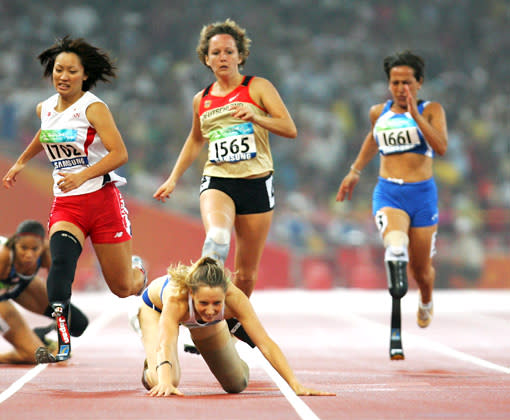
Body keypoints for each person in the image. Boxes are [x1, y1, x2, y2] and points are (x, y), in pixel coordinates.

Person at [2, 36, 147, 364]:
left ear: (84, 75)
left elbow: (120, 153)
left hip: (103, 202)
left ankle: (138, 271)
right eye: (58, 69)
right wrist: (21, 161)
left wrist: (83, 175)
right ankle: (63, 341)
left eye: (70, 71)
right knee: (61, 264)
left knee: (122, 287)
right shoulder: (45, 107)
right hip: (67, 205)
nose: (62, 76)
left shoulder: (93, 107)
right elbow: (46, 133)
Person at [152, 19, 297, 345]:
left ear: (240, 56)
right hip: (218, 180)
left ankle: (228, 325)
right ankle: (196, 315)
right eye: (215, 52)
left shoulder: (257, 87)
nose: (222, 57)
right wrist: (174, 178)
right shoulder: (200, 99)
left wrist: (255, 115)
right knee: (216, 239)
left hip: (257, 185)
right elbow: (194, 140)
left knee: (245, 273)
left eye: (229, 51)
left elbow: (289, 128)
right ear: (206, 58)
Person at [336, 50, 448, 358]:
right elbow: (372, 139)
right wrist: (354, 171)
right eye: (396, 82)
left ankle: (426, 297)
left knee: (421, 269)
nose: (401, 89)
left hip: (423, 196)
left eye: (407, 82)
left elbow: (441, 147)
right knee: (396, 248)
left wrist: (415, 116)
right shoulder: (378, 112)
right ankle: (396, 324)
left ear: (419, 83)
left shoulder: (431, 110)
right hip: (389, 194)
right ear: (389, 84)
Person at [129, 256, 334, 397]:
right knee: (165, 383)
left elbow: (265, 342)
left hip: (203, 325)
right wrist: (164, 380)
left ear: (225, 296)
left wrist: (295, 384)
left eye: (216, 304)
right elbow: (166, 341)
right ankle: (146, 346)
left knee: (237, 383)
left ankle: (216, 339)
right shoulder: (176, 298)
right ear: (191, 294)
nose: (210, 310)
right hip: (156, 311)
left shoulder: (234, 298)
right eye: (204, 303)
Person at [0, 220, 89, 366]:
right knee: (36, 356)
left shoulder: (48, 253)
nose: (29, 255)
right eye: (23, 248)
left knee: (78, 323)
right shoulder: (0, 259)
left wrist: (63, 348)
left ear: (42, 247)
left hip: (21, 285)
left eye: (34, 249)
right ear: (15, 244)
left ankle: (39, 336)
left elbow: (60, 298)